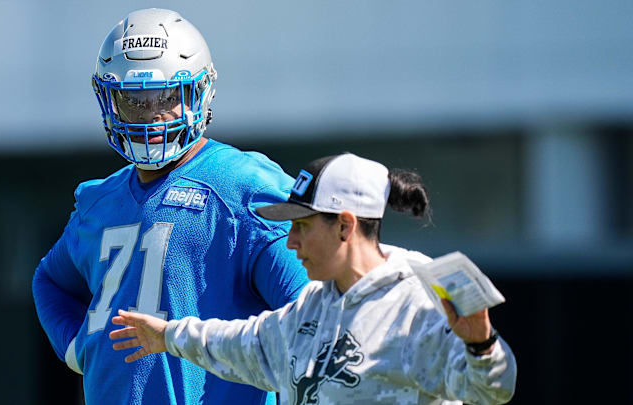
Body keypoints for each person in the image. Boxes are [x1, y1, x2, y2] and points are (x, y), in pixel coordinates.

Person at [31, 8, 309, 405]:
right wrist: (77, 347)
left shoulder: (246, 186)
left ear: (201, 92)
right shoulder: (99, 200)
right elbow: (50, 280)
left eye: (166, 97)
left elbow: (310, 319)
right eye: (133, 101)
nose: (151, 116)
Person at [109, 153, 518, 405]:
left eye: (302, 226)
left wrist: (481, 344)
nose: (290, 242)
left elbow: (490, 392)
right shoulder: (313, 306)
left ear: (344, 226)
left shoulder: (419, 301)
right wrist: (166, 336)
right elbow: (240, 344)